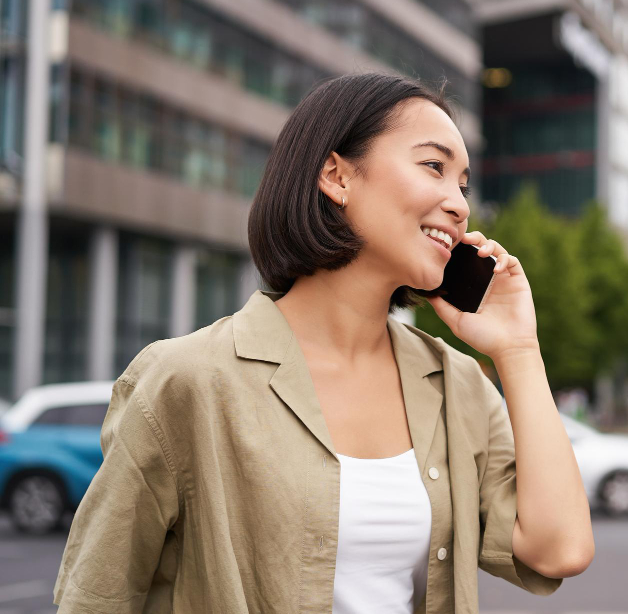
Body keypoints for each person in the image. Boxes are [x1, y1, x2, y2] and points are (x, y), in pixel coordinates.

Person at [53, 73, 594, 613]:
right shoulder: (187, 380)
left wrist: (518, 350)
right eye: (434, 166)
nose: (458, 205)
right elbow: (96, 598)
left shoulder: (458, 385)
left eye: (464, 185)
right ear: (336, 176)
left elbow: (560, 550)